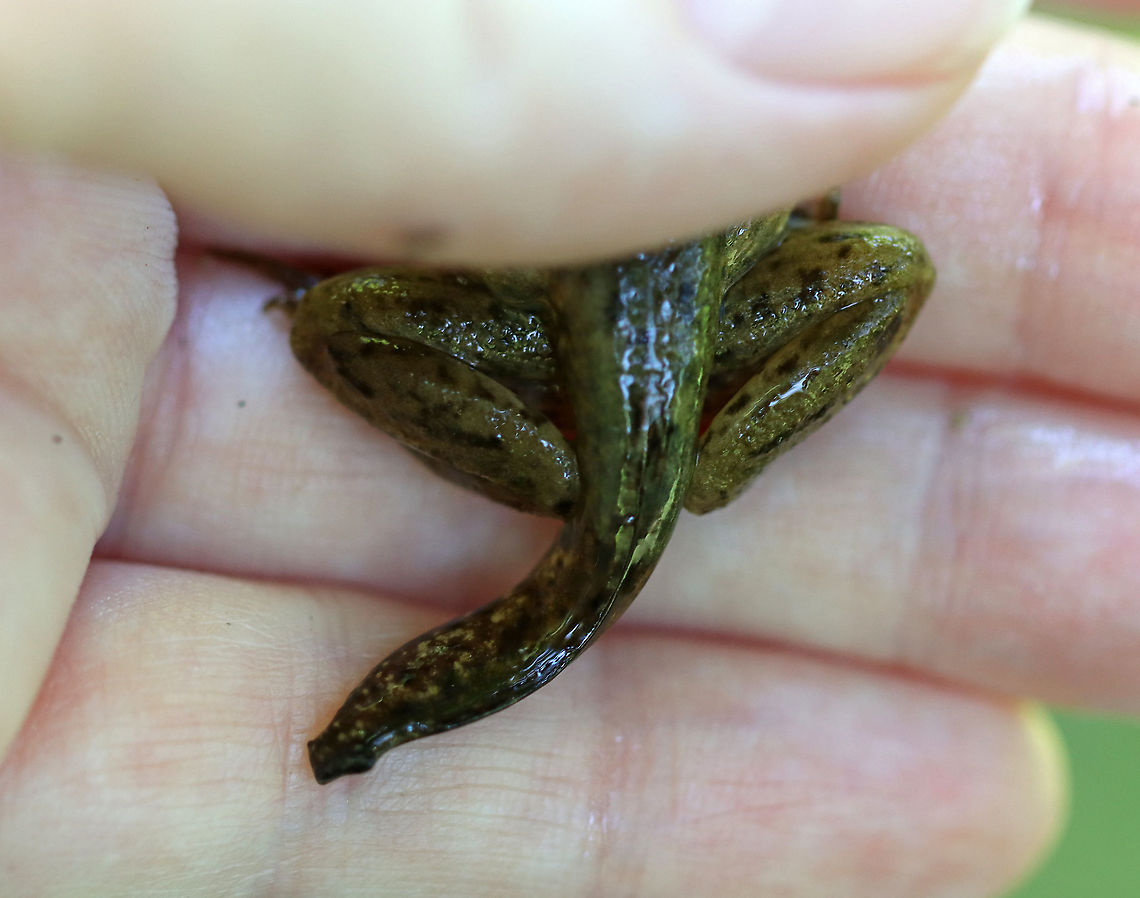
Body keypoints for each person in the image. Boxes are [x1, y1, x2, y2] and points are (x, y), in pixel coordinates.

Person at [0, 2, 1136, 894]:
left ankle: (635, 478)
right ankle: (668, 471)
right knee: (882, 266)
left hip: (595, 291)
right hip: (588, 289)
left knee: (355, 322)